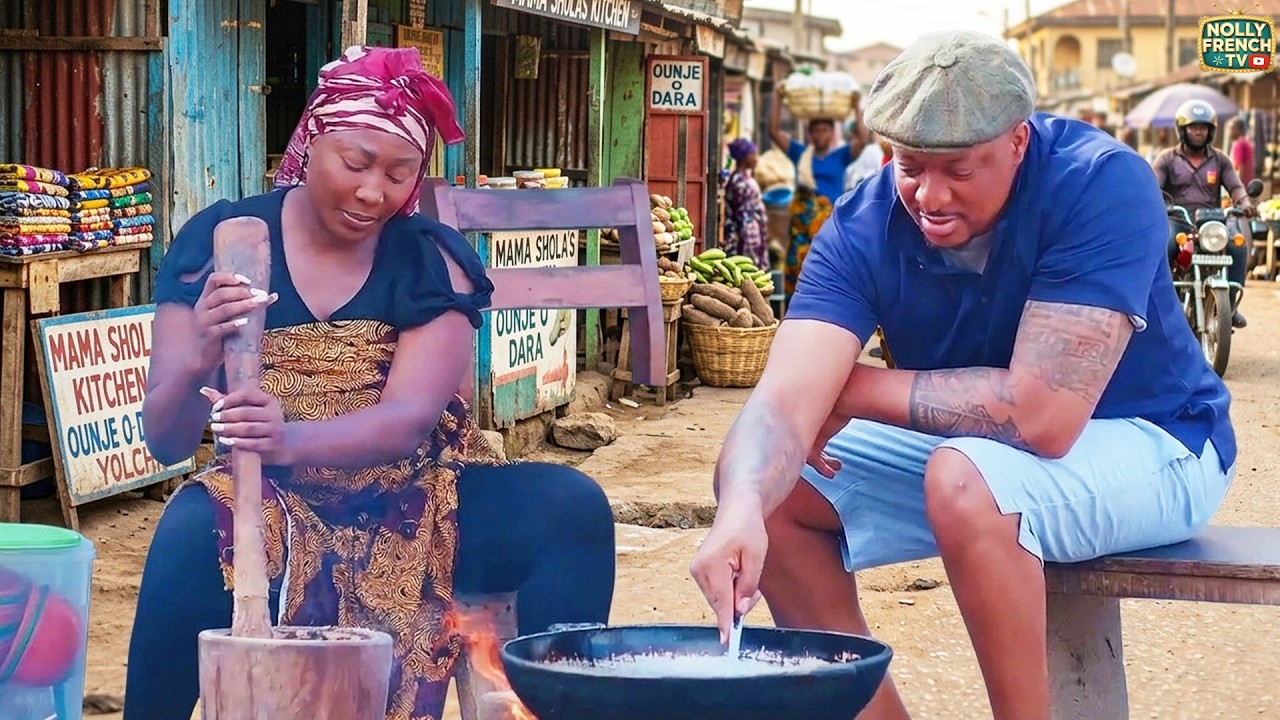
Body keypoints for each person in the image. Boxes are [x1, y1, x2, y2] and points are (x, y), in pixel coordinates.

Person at [690, 31, 1235, 720]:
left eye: (958, 168)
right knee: (772, 484)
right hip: (986, 458)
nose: (930, 195)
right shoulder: (863, 224)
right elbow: (780, 403)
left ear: (1017, 141)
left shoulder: (1098, 182)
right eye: (910, 165)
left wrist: (843, 388)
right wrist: (739, 506)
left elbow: (1041, 417)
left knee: (964, 478)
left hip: (1161, 443)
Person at [124, 46, 615, 720]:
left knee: (571, 506)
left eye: (398, 172)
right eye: (355, 163)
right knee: (185, 534)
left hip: (417, 497)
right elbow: (165, 438)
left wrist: (284, 437)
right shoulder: (223, 240)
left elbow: (407, 419)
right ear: (311, 140)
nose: (372, 193)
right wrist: (196, 354)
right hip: (269, 501)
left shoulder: (428, 260)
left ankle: (563, 706)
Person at [1152, 100, 1255, 328]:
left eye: (1204, 127)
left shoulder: (1219, 159)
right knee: (1165, 244)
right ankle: (1162, 302)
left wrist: (1245, 202)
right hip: (1178, 220)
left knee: (1237, 244)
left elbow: (1235, 186)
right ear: (1182, 129)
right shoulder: (1166, 158)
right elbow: (1152, 186)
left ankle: (1231, 306)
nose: (1199, 132)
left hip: (1211, 221)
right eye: (1194, 127)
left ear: (1211, 131)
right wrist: (1153, 203)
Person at [768, 83, 866, 299]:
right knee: (797, 282)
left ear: (832, 133)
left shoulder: (840, 156)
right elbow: (773, 131)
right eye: (817, 130)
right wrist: (777, 97)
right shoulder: (800, 153)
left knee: (830, 278)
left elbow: (863, 139)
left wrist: (857, 106)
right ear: (810, 133)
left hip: (829, 229)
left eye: (825, 130)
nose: (821, 135)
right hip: (801, 232)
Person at [721, 138, 770, 269]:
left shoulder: (744, 178)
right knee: (747, 267)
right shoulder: (739, 181)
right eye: (753, 154)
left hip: (753, 231)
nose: (756, 158)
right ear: (744, 157)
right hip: (746, 235)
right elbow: (740, 214)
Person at [1228, 116, 1255, 186]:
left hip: (1242, 186)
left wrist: (1237, 187)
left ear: (1238, 130)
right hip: (1248, 184)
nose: (1229, 131)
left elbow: (1240, 168)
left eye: (1231, 128)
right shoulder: (1245, 142)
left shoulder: (1239, 144)